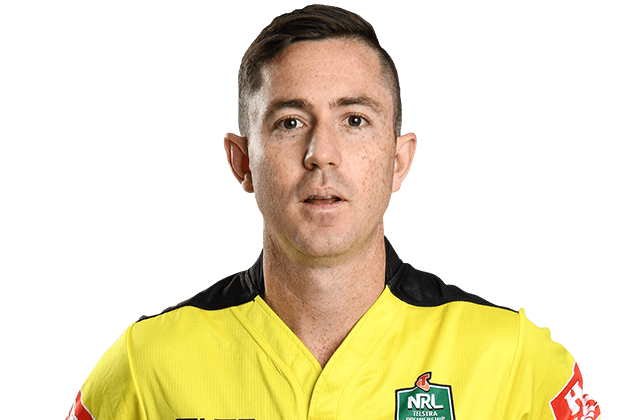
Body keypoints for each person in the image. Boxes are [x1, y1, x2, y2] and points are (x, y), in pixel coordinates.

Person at [66, 4, 601, 420]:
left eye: (355, 120)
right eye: (290, 122)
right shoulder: (144, 366)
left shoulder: (515, 361)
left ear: (399, 160)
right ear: (241, 162)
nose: (321, 153)